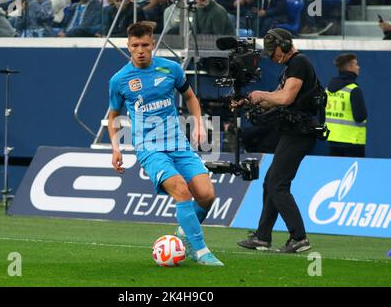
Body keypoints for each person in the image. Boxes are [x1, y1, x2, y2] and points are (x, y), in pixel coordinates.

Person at [107, 22, 224, 266]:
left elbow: (190, 97)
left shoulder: (170, 69)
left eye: (145, 45)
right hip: (149, 148)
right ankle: (201, 251)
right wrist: (116, 148)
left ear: (153, 45)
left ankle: (185, 234)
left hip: (177, 143)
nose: (141, 50)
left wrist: (199, 124)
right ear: (128, 47)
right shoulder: (119, 80)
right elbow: (113, 116)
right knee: (181, 189)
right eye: (135, 45)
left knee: (207, 195)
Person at [235, 28, 321, 253]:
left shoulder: (299, 62)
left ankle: (299, 238)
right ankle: (263, 237)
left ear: (284, 46)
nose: (272, 56)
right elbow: (273, 99)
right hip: (294, 132)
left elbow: (284, 97)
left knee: (277, 184)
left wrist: (261, 95)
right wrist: (248, 102)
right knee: (270, 182)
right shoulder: (290, 67)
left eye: (274, 51)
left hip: (300, 133)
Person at [325, 53, 367, 157]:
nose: (359, 67)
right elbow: (360, 117)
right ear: (349, 67)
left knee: (336, 172)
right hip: (353, 141)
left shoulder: (328, 90)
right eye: (356, 64)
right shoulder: (354, 90)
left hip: (332, 140)